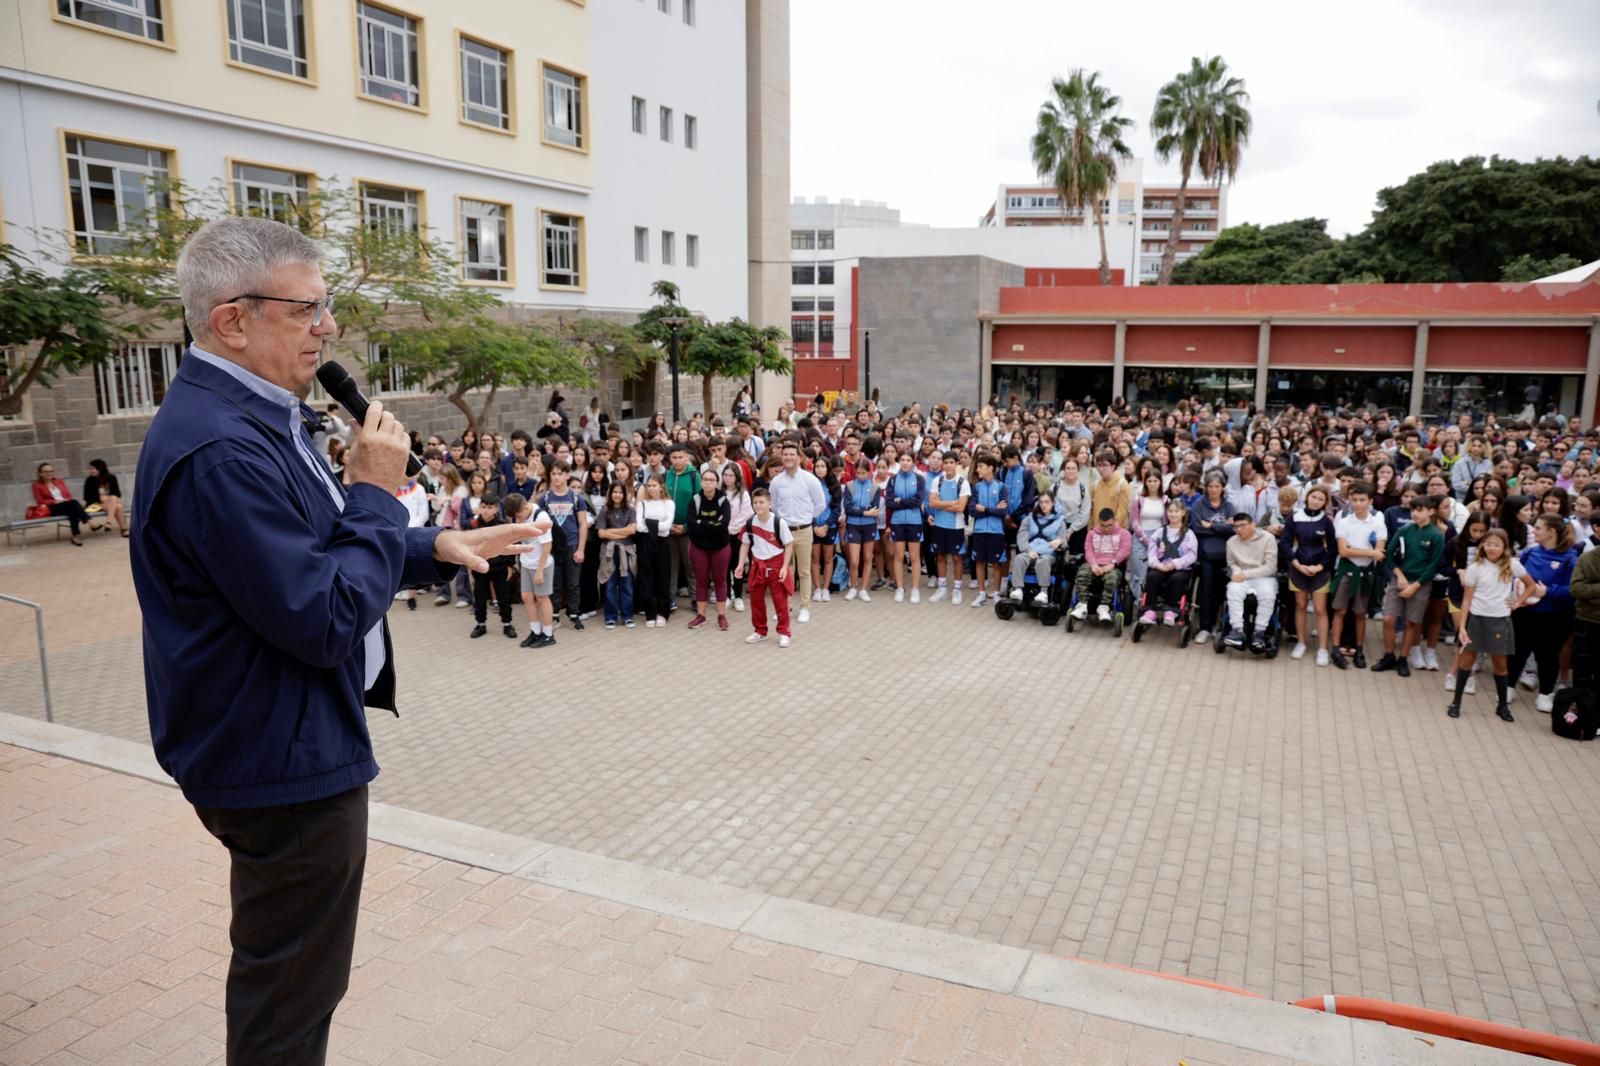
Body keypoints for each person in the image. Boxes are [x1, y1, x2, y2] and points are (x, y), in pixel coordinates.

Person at [129, 216, 539, 1064]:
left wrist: (428, 547)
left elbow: (309, 545)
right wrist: (383, 498)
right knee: (291, 999)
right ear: (232, 320)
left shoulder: (254, 415)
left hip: (276, 739)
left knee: (294, 980)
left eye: (329, 306)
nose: (329, 328)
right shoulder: (221, 449)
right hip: (280, 763)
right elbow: (319, 616)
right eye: (308, 309)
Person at [1448, 529, 1532, 721]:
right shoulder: (1475, 568)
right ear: (1482, 546)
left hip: (1500, 620)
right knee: (1466, 662)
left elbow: (1531, 585)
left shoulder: (1513, 565)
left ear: (1504, 547)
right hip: (1476, 620)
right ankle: (1456, 702)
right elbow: (1467, 601)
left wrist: (1518, 602)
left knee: (1500, 665)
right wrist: (1462, 627)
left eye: (1497, 544)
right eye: (1488, 544)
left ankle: (1502, 706)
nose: (1492, 548)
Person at [1506, 514, 1578, 712]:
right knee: (1517, 652)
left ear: (1551, 532)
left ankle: (1545, 694)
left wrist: (1546, 591)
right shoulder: (1530, 553)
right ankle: (1508, 687)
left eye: (1538, 528)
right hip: (1525, 614)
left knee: (1548, 655)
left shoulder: (1570, 558)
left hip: (1554, 616)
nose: (1534, 531)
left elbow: (1573, 590)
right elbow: (1515, 576)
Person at [1371, 495, 1445, 676]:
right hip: (1400, 579)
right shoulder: (1404, 530)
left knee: (1411, 622)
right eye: (1413, 510)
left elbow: (1434, 565)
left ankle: (1403, 658)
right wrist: (1399, 575)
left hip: (1420, 583)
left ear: (1431, 511)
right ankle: (1389, 656)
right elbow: (1389, 555)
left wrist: (1415, 585)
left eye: (1420, 510)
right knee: (1389, 618)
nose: (1415, 514)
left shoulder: (1436, 535)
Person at [1328, 481, 1386, 670]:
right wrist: (1369, 553)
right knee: (1340, 610)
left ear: (1370, 501)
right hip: (1347, 569)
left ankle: (1359, 649)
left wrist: (1356, 550)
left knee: (1360, 613)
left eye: (1362, 500)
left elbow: (1380, 550)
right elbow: (1343, 551)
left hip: (1365, 572)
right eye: (1355, 500)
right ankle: (1336, 648)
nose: (1358, 504)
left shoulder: (1378, 522)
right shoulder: (1344, 522)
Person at [767, 440, 827, 620]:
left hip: (804, 530)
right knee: (785, 570)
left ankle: (805, 607)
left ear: (799, 457)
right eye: (785, 454)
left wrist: (806, 518)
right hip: (784, 532)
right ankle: (785, 607)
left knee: (804, 570)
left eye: (792, 454)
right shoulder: (777, 482)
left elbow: (820, 504)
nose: (788, 457)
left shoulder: (810, 479)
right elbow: (774, 506)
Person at [1279, 484, 1337, 665]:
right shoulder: (1294, 517)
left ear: (1325, 503)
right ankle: (1301, 643)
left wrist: (1319, 567)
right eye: (1314, 497)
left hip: (1320, 571)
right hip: (1298, 569)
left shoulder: (1327, 521)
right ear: (1307, 498)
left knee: (1320, 609)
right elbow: (1285, 544)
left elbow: (1332, 548)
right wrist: (1297, 564)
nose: (1316, 501)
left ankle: (1322, 649)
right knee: (1300, 605)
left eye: (1320, 499)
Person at [733, 487, 795, 647]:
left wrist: (784, 567)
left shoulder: (778, 522)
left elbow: (789, 545)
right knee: (756, 600)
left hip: (776, 565)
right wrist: (740, 564)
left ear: (769, 503)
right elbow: (745, 545)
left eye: (761, 502)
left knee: (780, 601)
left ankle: (784, 632)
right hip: (757, 565)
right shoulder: (749, 523)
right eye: (755, 502)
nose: (758, 506)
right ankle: (760, 631)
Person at [537, 461, 589, 631]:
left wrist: (581, 549)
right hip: (552, 547)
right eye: (553, 474)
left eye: (560, 473)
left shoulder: (576, 498)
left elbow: (582, 524)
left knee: (573, 582)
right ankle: (554, 615)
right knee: (555, 582)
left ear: (567, 475)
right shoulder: (544, 498)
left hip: (572, 545)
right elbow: (538, 524)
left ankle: (574, 614)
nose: (557, 477)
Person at [463, 492, 519, 640]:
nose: (486, 510)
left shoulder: (502, 525)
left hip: (500, 567)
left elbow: (510, 545)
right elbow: (468, 545)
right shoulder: (473, 525)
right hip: (480, 567)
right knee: (480, 596)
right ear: (479, 508)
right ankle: (480, 624)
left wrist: (509, 566)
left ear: (496, 509)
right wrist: (470, 562)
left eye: (490, 507)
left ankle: (507, 624)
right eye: (483, 507)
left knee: (503, 597)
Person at [1222, 511, 1279, 651]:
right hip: (1241, 575)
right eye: (1236, 527)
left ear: (1253, 524)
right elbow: (1232, 563)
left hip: (1264, 576)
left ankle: (1259, 632)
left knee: (1267, 594)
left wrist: (1246, 574)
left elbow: (1270, 567)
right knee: (1233, 591)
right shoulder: (1231, 542)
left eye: (1243, 525)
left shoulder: (1268, 538)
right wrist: (1236, 572)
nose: (1239, 529)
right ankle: (1237, 630)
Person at [686, 467, 732, 631]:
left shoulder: (723, 501)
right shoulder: (695, 500)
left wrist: (702, 522)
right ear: (701, 481)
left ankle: (721, 616)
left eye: (712, 480)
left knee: (720, 581)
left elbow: (724, 525)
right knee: (701, 581)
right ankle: (701, 616)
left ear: (717, 483)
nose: (708, 482)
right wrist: (712, 523)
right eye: (705, 479)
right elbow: (691, 525)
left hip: (720, 547)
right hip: (699, 547)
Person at [1138, 499, 1197, 627]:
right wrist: (1156, 564)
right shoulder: (1159, 532)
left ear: (1183, 513)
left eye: (1176, 511)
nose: (1173, 514)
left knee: (1177, 578)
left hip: (1180, 569)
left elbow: (1192, 555)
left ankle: (1172, 611)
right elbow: (1152, 552)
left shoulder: (1189, 534)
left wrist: (1175, 564)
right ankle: (1150, 611)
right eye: (1170, 511)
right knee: (1152, 576)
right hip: (1161, 566)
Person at [1189, 472, 1232, 642]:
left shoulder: (1229, 506)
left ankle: (1217, 626)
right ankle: (1204, 627)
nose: (1214, 490)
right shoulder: (1199, 505)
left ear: (1222, 488)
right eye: (1211, 486)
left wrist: (1212, 525)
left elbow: (1233, 528)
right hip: (1206, 555)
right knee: (1207, 591)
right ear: (1206, 488)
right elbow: (1198, 528)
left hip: (1225, 555)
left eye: (1217, 486)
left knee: (1221, 592)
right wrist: (1222, 527)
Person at [1072, 508, 1131, 622]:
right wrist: (1094, 565)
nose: (1106, 528)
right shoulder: (1091, 534)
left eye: (1109, 525)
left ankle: (1104, 607)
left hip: (1112, 566)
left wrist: (1111, 565)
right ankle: (1082, 605)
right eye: (1103, 526)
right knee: (1082, 573)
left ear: (1115, 520)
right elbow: (1088, 550)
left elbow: (1124, 551)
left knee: (1112, 578)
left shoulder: (1124, 534)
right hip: (1094, 564)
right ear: (1099, 522)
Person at [926, 451, 970, 604]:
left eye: (952, 462)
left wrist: (941, 504)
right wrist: (952, 502)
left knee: (957, 557)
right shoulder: (937, 481)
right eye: (947, 462)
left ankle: (957, 589)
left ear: (957, 464)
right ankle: (942, 588)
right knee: (940, 556)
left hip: (956, 526)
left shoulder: (962, 483)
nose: (949, 465)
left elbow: (961, 507)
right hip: (939, 525)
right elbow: (931, 503)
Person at [594, 480, 637, 631]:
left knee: (627, 584)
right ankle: (610, 617)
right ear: (610, 493)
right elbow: (601, 533)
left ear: (624, 494)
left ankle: (627, 616)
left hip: (626, 550)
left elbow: (632, 530)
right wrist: (622, 531)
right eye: (615, 492)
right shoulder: (605, 510)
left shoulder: (630, 509)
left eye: (620, 492)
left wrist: (611, 532)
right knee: (610, 584)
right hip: (609, 552)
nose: (617, 495)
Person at [886, 449, 927, 603]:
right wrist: (903, 502)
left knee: (915, 557)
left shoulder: (919, 479)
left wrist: (900, 501)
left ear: (913, 462)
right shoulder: (892, 480)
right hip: (897, 522)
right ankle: (900, 588)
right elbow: (889, 502)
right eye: (902, 460)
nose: (905, 463)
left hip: (915, 522)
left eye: (908, 460)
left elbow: (918, 501)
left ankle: (915, 589)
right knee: (898, 556)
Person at [1006, 491, 1064, 603]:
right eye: (1041, 502)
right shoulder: (1030, 518)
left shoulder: (1060, 521)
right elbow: (1021, 537)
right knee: (1019, 558)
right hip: (1031, 550)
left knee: (1043, 561)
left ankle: (1043, 592)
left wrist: (1059, 541)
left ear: (1053, 503)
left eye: (1047, 502)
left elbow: (1063, 539)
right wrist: (1028, 550)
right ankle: (1018, 589)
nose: (1043, 505)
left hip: (1048, 553)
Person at [636, 475, 676, 626]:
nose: (651, 488)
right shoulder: (643, 504)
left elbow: (667, 527)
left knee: (662, 577)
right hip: (645, 544)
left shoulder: (668, 503)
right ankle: (650, 612)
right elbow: (639, 526)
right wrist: (658, 524)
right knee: (647, 577)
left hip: (662, 544)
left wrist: (649, 523)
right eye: (649, 486)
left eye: (654, 485)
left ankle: (662, 611)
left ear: (661, 486)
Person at [841, 456, 881, 601]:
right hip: (853, 525)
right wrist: (864, 512)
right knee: (854, 560)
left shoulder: (875, 487)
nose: (861, 476)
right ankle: (853, 586)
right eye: (859, 473)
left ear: (870, 472)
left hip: (870, 526)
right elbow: (848, 508)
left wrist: (862, 510)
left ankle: (863, 589)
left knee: (868, 558)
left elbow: (874, 508)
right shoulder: (850, 486)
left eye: (864, 473)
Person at [664, 445, 699, 601]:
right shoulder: (666, 475)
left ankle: (695, 598)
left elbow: (698, 504)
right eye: (674, 457)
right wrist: (667, 524)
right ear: (670, 459)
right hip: (668, 528)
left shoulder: (694, 476)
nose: (677, 461)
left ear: (686, 457)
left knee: (691, 565)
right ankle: (670, 599)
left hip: (687, 530)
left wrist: (686, 526)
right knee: (670, 566)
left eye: (680, 457)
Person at [392, 474, 430, 610]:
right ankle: (398, 590)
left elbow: (424, 513)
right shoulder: (392, 489)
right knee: (398, 562)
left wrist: (412, 528)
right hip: (397, 531)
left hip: (414, 531)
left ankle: (412, 596)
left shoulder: (419, 489)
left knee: (413, 562)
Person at [30, 462, 91, 545]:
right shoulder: (37, 485)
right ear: (40, 474)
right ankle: (89, 521)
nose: (49, 473)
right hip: (51, 508)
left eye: (51, 471)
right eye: (46, 471)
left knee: (72, 509)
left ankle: (75, 536)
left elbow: (68, 496)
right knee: (73, 503)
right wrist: (55, 501)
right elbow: (40, 501)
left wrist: (65, 500)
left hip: (67, 506)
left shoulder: (59, 482)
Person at [81, 458, 131, 537]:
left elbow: (117, 493)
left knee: (115, 499)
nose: (91, 470)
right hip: (93, 506)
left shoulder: (111, 478)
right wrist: (100, 499)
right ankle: (122, 528)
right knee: (118, 506)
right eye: (90, 468)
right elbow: (86, 497)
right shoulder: (89, 480)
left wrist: (107, 498)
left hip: (109, 504)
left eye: (93, 468)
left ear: (100, 468)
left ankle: (109, 522)